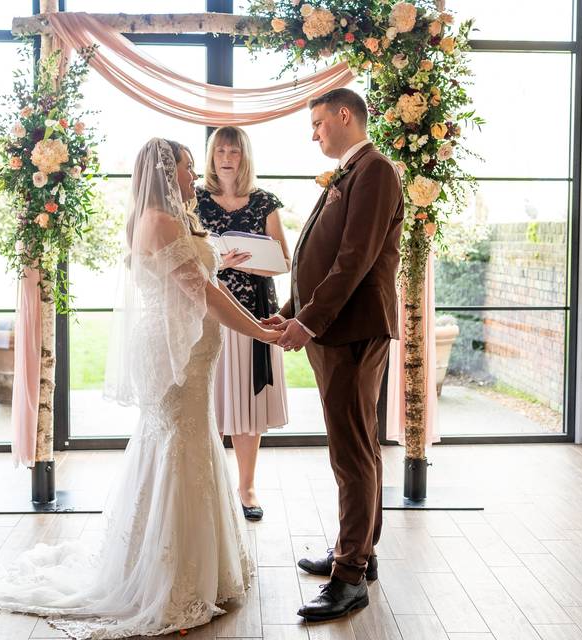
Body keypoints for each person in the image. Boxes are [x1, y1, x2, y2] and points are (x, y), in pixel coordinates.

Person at [0, 138, 282, 639]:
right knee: (180, 441)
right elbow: (206, 292)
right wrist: (260, 329)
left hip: (189, 347)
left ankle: (194, 567)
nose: (193, 175)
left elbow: (201, 287)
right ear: (163, 171)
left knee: (185, 439)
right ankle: (172, 576)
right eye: (187, 166)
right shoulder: (160, 221)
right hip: (178, 350)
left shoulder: (168, 217)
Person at [264, 88, 404, 622]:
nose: (314, 133)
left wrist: (310, 321)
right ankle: (358, 553)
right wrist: (291, 309)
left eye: (319, 122)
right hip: (333, 328)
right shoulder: (352, 171)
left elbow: (354, 259)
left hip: (351, 330)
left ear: (346, 116)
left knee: (351, 451)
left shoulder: (376, 171)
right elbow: (315, 256)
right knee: (358, 446)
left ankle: (349, 578)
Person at [196, 125, 292, 522]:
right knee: (211, 400)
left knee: (248, 403)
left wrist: (250, 261)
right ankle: (209, 485)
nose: (227, 157)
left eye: (234, 150)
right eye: (220, 150)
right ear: (211, 155)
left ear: (244, 155)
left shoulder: (265, 201)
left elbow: (285, 261)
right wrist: (220, 260)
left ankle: (247, 485)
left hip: (254, 310)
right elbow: (188, 253)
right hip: (208, 311)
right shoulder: (196, 198)